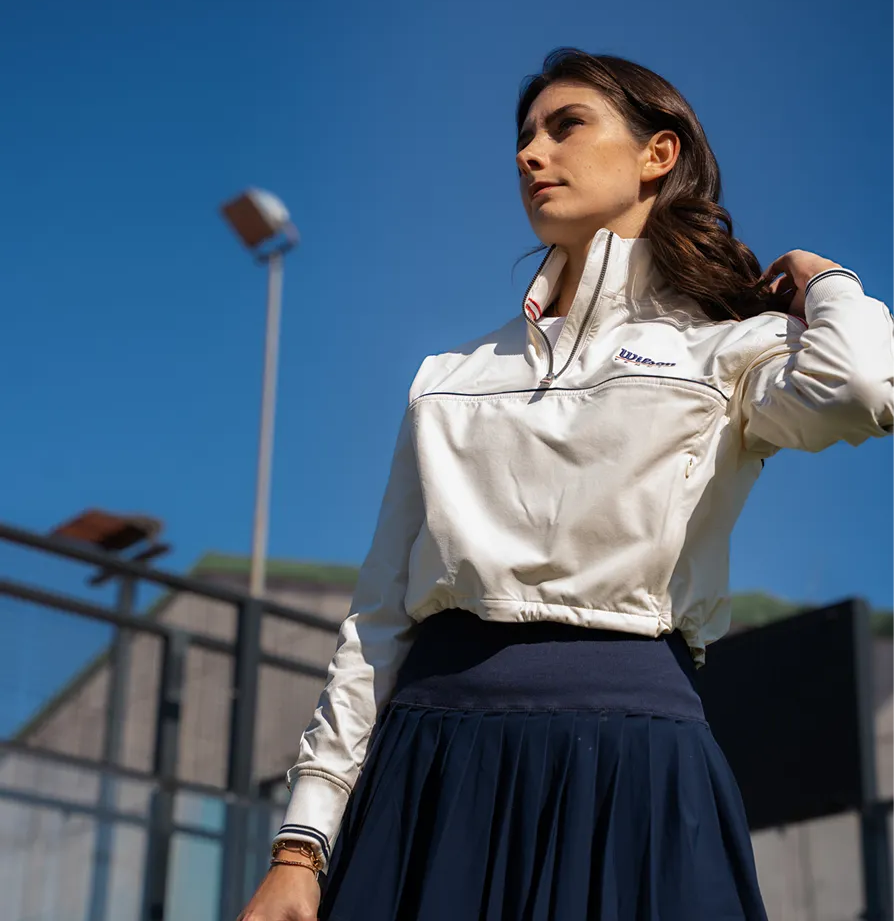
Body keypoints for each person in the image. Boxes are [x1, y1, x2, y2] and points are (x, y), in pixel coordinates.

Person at [239, 49, 894, 921]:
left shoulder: (727, 351)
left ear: (657, 154)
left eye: (565, 125)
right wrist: (301, 841)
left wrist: (826, 279)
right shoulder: (447, 378)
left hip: (633, 764)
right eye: (523, 136)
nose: (529, 153)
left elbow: (858, 390)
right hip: (431, 765)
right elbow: (377, 618)